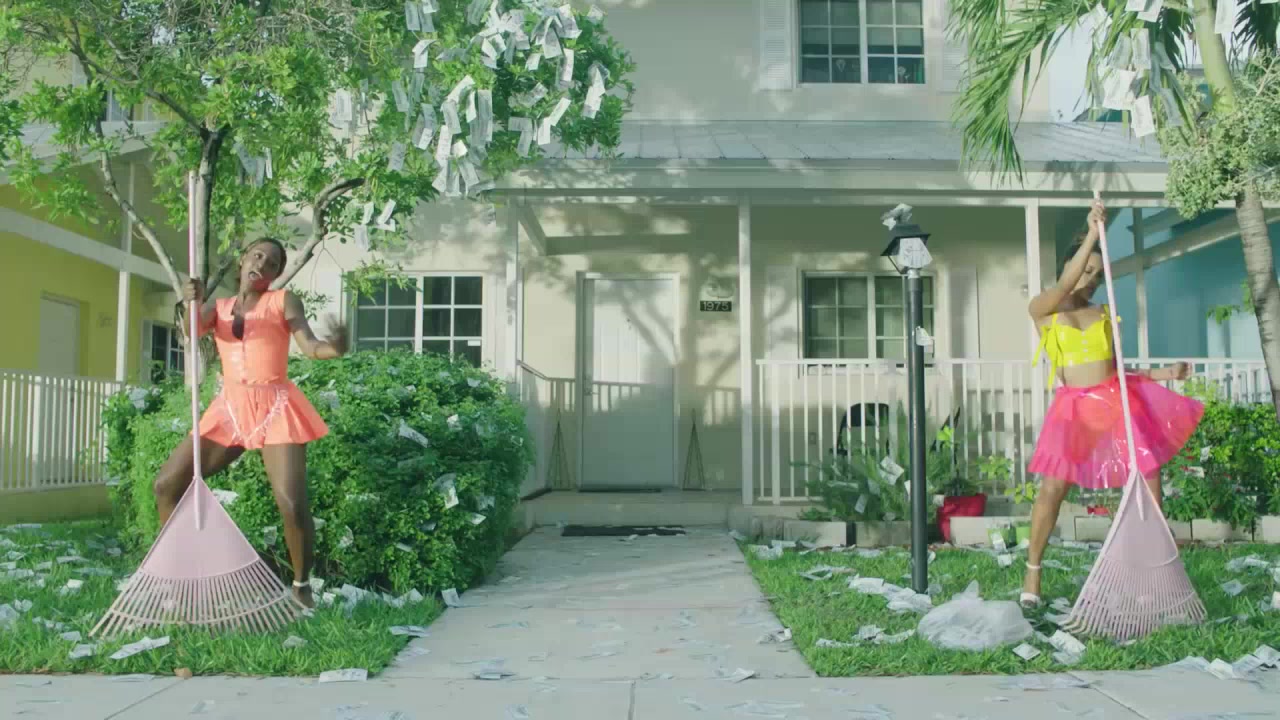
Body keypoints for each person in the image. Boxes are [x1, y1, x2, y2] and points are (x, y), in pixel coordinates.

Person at [1020, 200, 1203, 607]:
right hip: (1074, 409)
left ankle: (1151, 573)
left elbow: (1116, 371)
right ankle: (1033, 572)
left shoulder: (1101, 312)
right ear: (1069, 265)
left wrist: (1164, 373)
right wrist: (1092, 232)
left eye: (1096, 274)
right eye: (1085, 269)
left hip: (1114, 402)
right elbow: (1064, 287)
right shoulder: (1043, 308)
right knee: (1053, 488)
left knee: (1148, 478)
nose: (1089, 279)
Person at [155, 237, 347, 608]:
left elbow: (311, 347)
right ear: (244, 260)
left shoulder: (283, 301)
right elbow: (192, 331)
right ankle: (179, 575)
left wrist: (336, 347)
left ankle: (301, 587)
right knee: (166, 485)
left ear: (275, 274)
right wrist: (191, 300)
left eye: (272, 263)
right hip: (229, 409)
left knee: (291, 503)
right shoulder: (220, 308)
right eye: (257, 255)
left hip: (276, 408)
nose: (262, 264)